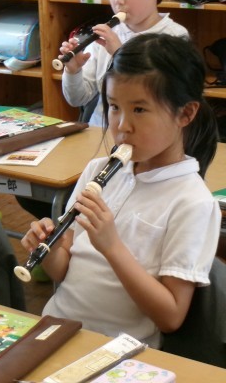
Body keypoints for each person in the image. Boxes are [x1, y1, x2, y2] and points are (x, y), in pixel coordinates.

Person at [22, 33, 220, 349]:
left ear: (185, 114)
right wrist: (49, 249)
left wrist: (112, 246)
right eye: (114, 107)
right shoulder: (97, 171)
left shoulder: (192, 202)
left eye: (139, 110)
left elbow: (171, 316)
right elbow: (64, 270)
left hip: (118, 352)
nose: (122, 125)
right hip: (57, 327)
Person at [60, 0, 188, 127]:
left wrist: (121, 55)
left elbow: (165, 100)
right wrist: (73, 71)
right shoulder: (106, 34)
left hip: (148, 135)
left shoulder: (175, 37)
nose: (118, 0)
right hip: (100, 133)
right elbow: (77, 99)